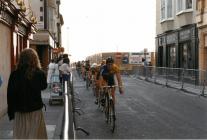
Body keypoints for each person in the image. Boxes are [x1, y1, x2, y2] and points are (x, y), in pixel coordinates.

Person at [7, 48, 48, 139]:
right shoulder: (39, 73)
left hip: (19, 111)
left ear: (21, 59)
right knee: (34, 136)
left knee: (21, 135)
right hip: (35, 111)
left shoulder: (15, 74)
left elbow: (10, 94)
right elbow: (44, 86)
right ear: (35, 59)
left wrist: (11, 112)